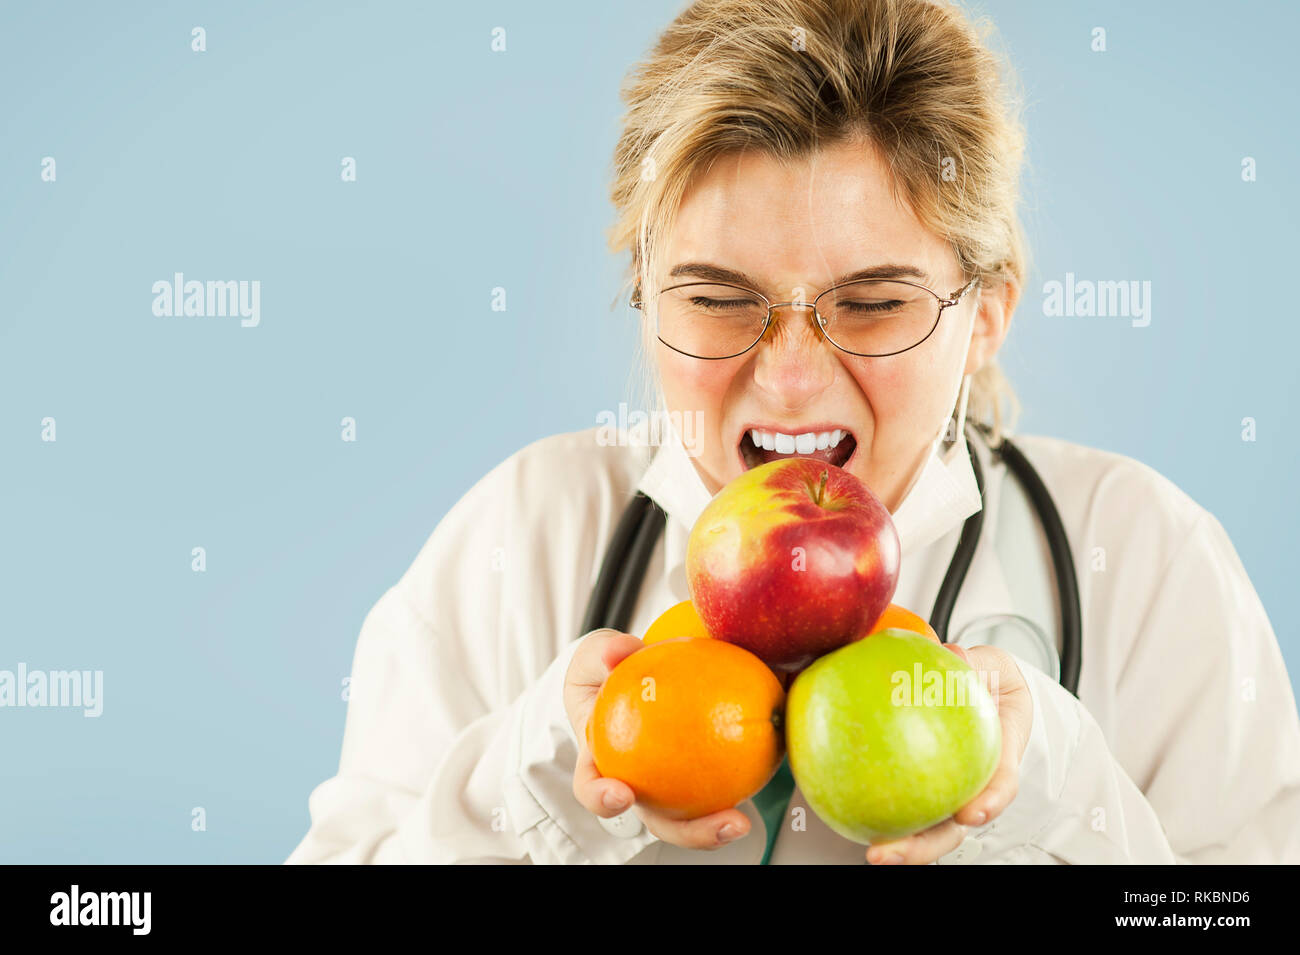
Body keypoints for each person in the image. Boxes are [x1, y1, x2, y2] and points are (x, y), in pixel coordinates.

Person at [285, 0, 1300, 864]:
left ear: (986, 313)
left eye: (871, 304)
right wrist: (543, 772)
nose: (791, 376)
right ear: (643, 300)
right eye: (719, 299)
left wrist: (1050, 799)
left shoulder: (1146, 558)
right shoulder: (521, 540)